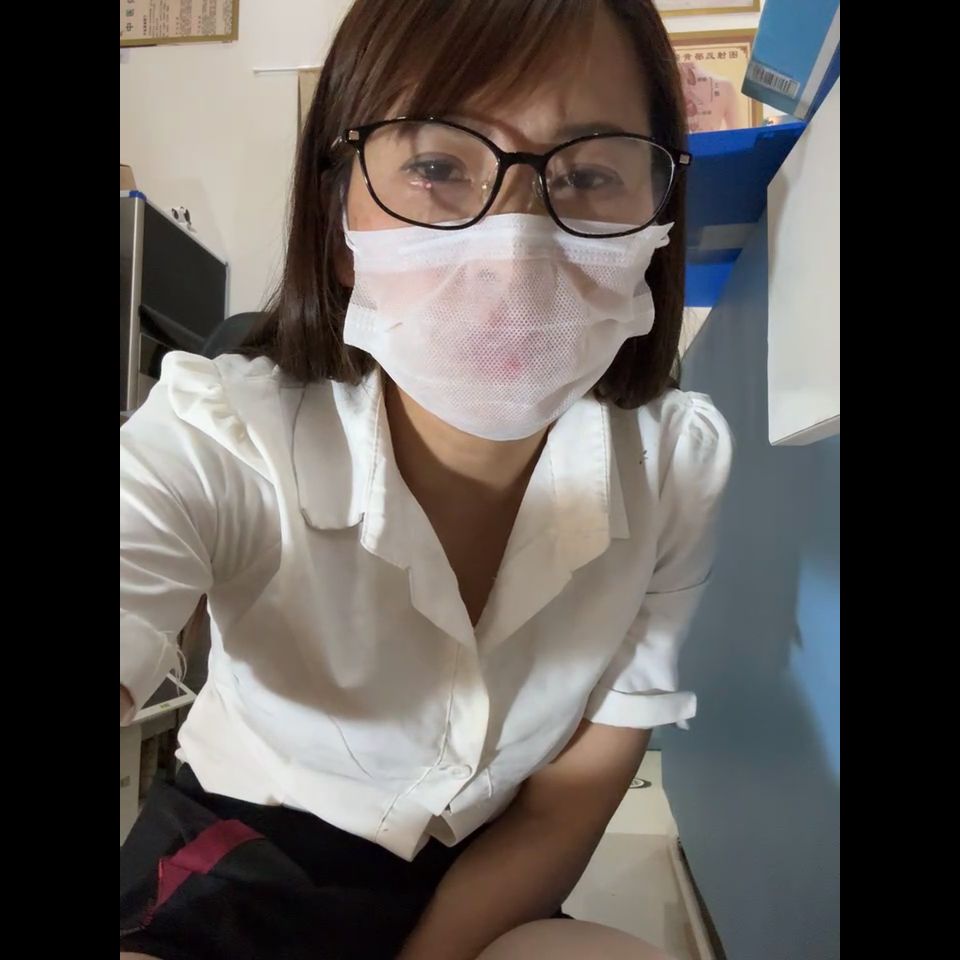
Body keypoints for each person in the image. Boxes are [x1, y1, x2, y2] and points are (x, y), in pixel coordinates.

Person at [119, 1, 732, 957]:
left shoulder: (675, 466)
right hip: (241, 863)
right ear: (338, 220)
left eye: (588, 174)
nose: (517, 246)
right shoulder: (221, 432)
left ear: (656, 222)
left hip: (484, 881)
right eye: (439, 166)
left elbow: (569, 801)